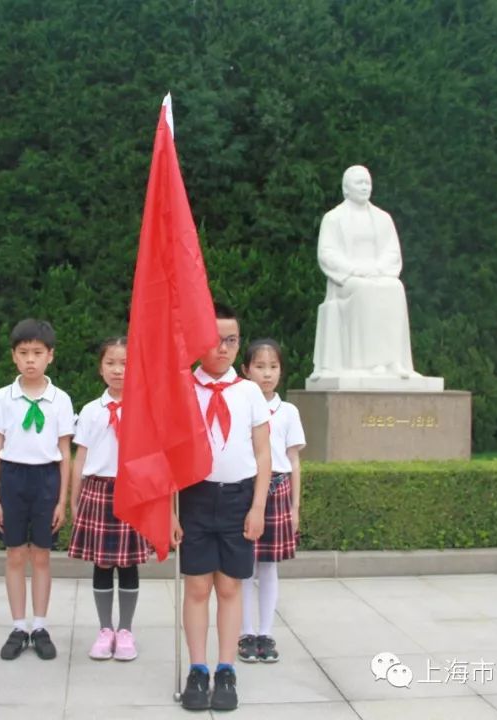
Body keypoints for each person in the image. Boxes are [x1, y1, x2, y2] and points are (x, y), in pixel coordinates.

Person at [178, 303, 271, 712]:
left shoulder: (249, 391)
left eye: (231, 340)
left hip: (238, 499)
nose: (223, 347)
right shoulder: (183, 388)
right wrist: (167, 513)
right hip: (195, 497)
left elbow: (264, 454)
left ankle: (226, 669)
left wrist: (258, 507)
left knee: (230, 586)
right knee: (198, 586)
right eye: (214, 339)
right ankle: (198, 669)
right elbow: (166, 454)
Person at [0, 319, 75, 661]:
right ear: (14, 357)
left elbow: (66, 452)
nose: (30, 360)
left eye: (38, 353)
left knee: (41, 555)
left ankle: (40, 625)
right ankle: (18, 625)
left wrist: (62, 500)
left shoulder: (60, 400)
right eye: (24, 353)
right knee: (14, 554)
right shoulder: (2, 398)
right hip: (13, 478)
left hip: (46, 479)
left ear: (50, 356)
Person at [68, 337, 149, 661]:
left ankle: (125, 630)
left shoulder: (143, 407)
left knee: (128, 564)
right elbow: (80, 457)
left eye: (125, 363)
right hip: (98, 491)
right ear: (101, 368)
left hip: (132, 490)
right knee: (102, 563)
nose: (118, 370)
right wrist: (74, 499)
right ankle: (105, 630)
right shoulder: (90, 411)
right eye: (111, 363)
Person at [310, 165, 418, 380]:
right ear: (346, 188)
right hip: (348, 280)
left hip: (378, 274)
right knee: (366, 291)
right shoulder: (334, 218)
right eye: (359, 183)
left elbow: (392, 252)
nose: (365, 187)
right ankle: (369, 363)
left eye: (367, 182)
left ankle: (393, 361)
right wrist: (354, 270)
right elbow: (327, 253)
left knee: (395, 287)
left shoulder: (383, 218)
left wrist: (377, 269)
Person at [238, 339, 306, 664]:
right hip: (246, 490)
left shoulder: (288, 411)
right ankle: (245, 633)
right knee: (242, 567)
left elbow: (294, 462)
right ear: (245, 370)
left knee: (268, 567)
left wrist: (294, 507)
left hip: (278, 491)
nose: (267, 374)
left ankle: (266, 632)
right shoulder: (239, 406)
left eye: (273, 367)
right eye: (260, 367)